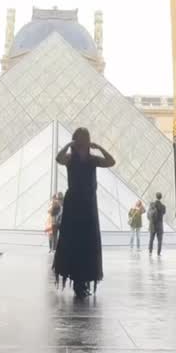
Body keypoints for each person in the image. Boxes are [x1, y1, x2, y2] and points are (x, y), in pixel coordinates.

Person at [53, 127, 115, 298]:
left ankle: (83, 282)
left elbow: (111, 161)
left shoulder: (92, 159)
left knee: (86, 243)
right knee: (75, 241)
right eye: (80, 139)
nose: (82, 142)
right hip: (76, 204)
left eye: (84, 139)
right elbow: (58, 158)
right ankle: (79, 282)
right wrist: (68, 145)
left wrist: (99, 147)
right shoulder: (71, 158)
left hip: (86, 204)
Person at [148, 192, 166, 256]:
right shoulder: (163, 206)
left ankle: (150, 252)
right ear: (161, 197)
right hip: (159, 225)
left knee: (151, 239)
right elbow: (164, 213)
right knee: (159, 240)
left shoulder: (151, 205)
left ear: (156, 196)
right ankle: (158, 253)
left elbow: (148, 216)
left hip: (152, 225)